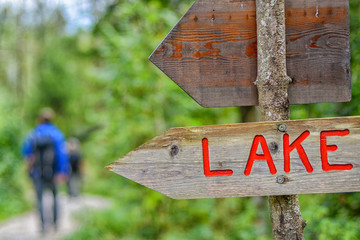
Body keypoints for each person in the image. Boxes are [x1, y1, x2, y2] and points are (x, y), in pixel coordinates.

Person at [21, 108, 69, 232]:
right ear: (52, 119)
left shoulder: (33, 133)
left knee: (39, 199)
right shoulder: (57, 133)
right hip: (53, 172)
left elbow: (25, 153)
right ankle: (55, 224)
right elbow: (62, 154)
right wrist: (62, 172)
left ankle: (42, 226)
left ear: (40, 119)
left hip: (37, 172)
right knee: (55, 196)